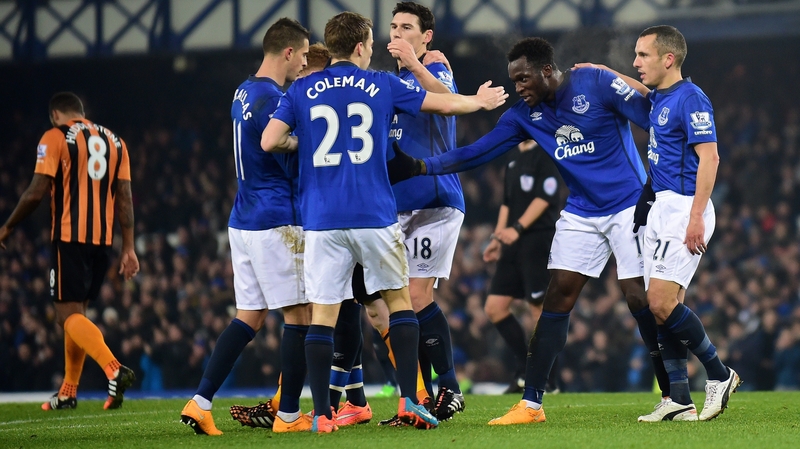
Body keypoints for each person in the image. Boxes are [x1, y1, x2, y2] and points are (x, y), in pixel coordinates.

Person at [387, 36, 671, 425]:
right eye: (514, 81)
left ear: (547, 71)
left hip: (627, 206)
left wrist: (664, 182)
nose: (518, 88)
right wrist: (422, 167)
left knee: (638, 298)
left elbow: (651, 115)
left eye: (523, 79)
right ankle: (532, 403)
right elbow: (477, 151)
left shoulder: (594, 82)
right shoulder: (524, 115)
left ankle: (672, 392)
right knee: (556, 299)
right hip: (582, 212)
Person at [261, 11, 506, 433]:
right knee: (398, 303)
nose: (380, 45)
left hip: (322, 218)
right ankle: (412, 400)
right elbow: (444, 103)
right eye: (376, 40)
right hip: (375, 212)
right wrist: (477, 103)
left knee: (324, 314)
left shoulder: (301, 88)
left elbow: (270, 140)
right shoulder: (379, 83)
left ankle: (320, 414)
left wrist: (307, 143)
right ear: (360, 46)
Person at [591, 25, 740, 422]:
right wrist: (603, 73)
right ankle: (677, 396)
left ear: (668, 59)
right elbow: (640, 93)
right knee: (664, 308)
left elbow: (710, 158)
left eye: (643, 56)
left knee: (659, 302)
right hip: (660, 208)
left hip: (685, 209)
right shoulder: (660, 97)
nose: (636, 62)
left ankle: (720, 375)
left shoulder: (692, 98)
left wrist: (695, 218)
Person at [179, 18, 311, 436]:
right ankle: (288, 415)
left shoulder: (243, 91)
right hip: (275, 219)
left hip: (243, 218)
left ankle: (200, 402)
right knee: (301, 314)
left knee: (250, 317)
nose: (305, 63)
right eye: (304, 55)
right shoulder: (274, 98)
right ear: (287, 52)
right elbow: (281, 150)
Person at [0, 92, 138, 411]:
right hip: (102, 241)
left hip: (69, 236)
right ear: (82, 112)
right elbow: (126, 198)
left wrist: (7, 227)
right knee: (78, 314)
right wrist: (129, 246)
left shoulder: (55, 136)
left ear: (55, 115)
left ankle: (113, 368)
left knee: (67, 316)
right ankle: (68, 390)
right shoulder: (116, 141)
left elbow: (36, 192)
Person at [482, 140, 563, 394]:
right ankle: (525, 369)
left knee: (537, 309)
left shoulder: (545, 154)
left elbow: (545, 197)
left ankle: (549, 379)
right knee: (495, 308)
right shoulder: (514, 159)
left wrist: (517, 229)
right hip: (511, 241)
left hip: (536, 238)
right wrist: (497, 238)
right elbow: (506, 203)